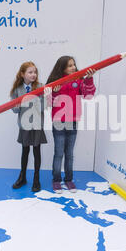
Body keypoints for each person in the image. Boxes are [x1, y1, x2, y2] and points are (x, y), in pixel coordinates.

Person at [46, 56, 96, 193]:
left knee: (69, 153)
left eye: (74, 64)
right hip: (58, 121)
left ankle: (69, 180)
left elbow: (88, 95)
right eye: (69, 65)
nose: (73, 67)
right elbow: (49, 102)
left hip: (73, 121)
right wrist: (55, 91)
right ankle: (56, 180)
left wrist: (89, 79)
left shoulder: (79, 79)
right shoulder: (54, 82)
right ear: (62, 68)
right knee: (58, 153)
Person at [10, 62, 47, 192]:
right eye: (30, 72)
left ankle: (36, 179)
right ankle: (22, 177)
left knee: (37, 151)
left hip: (36, 125)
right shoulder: (17, 89)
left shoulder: (41, 87)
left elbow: (44, 107)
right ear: (22, 74)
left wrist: (33, 100)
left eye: (35, 72)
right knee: (25, 151)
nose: (33, 75)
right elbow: (15, 111)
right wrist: (17, 106)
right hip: (24, 126)